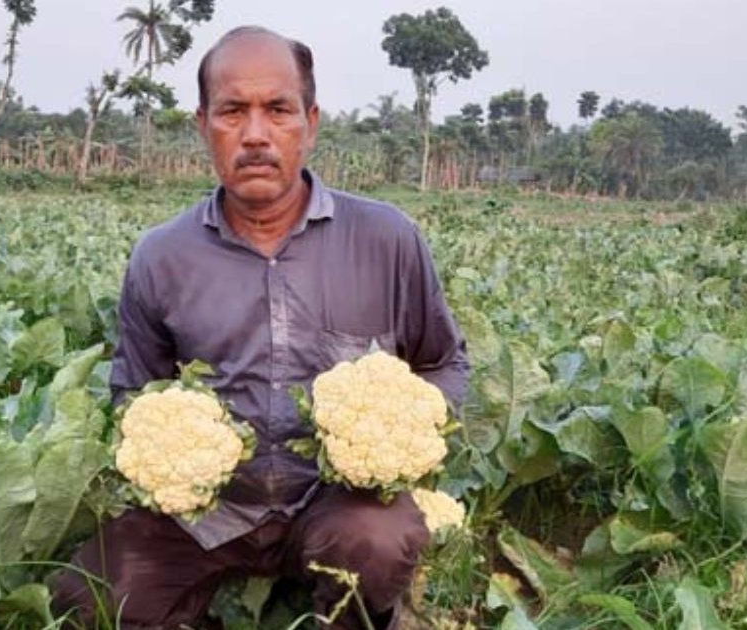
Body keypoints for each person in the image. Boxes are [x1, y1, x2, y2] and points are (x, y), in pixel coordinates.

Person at [51, 25, 470, 630]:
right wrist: (167, 452)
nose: (254, 135)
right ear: (203, 124)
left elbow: (446, 363)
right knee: (91, 596)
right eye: (232, 111)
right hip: (209, 513)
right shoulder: (161, 257)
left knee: (377, 543)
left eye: (277, 109)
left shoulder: (388, 240)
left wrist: (405, 423)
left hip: (337, 504)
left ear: (311, 121)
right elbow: (133, 392)